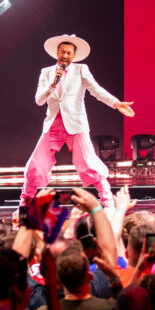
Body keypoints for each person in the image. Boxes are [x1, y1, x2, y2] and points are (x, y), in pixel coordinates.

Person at [21, 34, 134, 208]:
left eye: (69, 53)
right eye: (62, 52)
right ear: (57, 53)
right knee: (35, 165)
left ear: (73, 56)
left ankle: (108, 203)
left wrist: (115, 103)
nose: (65, 55)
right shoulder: (47, 72)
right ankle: (24, 204)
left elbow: (96, 89)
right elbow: (39, 100)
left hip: (75, 124)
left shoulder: (81, 70)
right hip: (52, 126)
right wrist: (52, 84)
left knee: (89, 163)